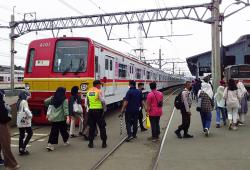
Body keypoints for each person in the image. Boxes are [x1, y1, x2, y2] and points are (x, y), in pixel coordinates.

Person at [0, 90, 20, 169]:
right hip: (2, 123)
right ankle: (11, 164)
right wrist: (7, 118)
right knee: (6, 143)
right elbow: (2, 111)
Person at [44, 87, 69, 151]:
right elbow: (65, 109)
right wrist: (67, 117)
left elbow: (45, 102)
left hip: (54, 118)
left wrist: (50, 104)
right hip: (61, 118)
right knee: (64, 130)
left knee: (54, 131)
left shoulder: (53, 98)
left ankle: (50, 144)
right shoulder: (64, 99)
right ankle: (65, 141)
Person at [86, 80, 107, 148]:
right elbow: (103, 100)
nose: (100, 86)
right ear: (97, 85)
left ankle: (90, 143)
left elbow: (87, 102)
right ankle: (104, 143)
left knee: (91, 127)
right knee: (102, 127)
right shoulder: (98, 91)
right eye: (100, 85)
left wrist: (88, 109)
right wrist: (104, 108)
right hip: (98, 111)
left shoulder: (89, 91)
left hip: (91, 111)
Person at [16, 91, 33, 155]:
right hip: (25, 120)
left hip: (19, 120)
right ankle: (23, 147)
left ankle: (21, 149)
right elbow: (26, 109)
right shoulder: (24, 101)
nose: (29, 97)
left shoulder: (18, 101)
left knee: (21, 135)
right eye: (28, 96)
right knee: (30, 133)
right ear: (25, 95)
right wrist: (30, 115)